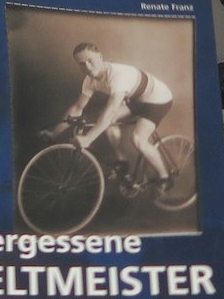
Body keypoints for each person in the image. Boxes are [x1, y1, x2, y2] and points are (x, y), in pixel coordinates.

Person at [44, 42, 177, 194]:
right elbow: (77, 109)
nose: (87, 66)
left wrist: (88, 139)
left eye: (90, 60)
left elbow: (111, 110)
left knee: (137, 139)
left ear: (100, 57)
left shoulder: (117, 75)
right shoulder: (89, 81)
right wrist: (54, 133)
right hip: (136, 99)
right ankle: (123, 162)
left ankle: (165, 178)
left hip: (158, 99)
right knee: (108, 120)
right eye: (82, 64)